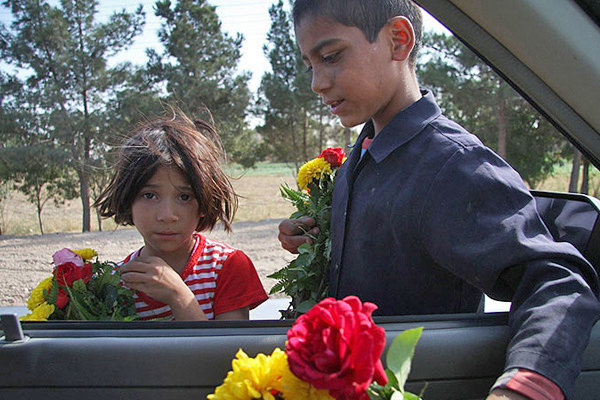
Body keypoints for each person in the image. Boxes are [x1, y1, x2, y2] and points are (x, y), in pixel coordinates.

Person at [278, 1, 600, 399]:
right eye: (310, 65)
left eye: (330, 57)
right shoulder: (361, 155)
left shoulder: (452, 165)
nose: (317, 83)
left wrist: (523, 388)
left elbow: (558, 280)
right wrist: (319, 233)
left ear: (399, 40)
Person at [95, 110, 268, 321]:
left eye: (184, 197)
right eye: (149, 195)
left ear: (205, 201)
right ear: (128, 200)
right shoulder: (116, 285)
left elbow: (229, 352)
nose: (167, 216)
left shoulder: (226, 266)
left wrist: (179, 296)